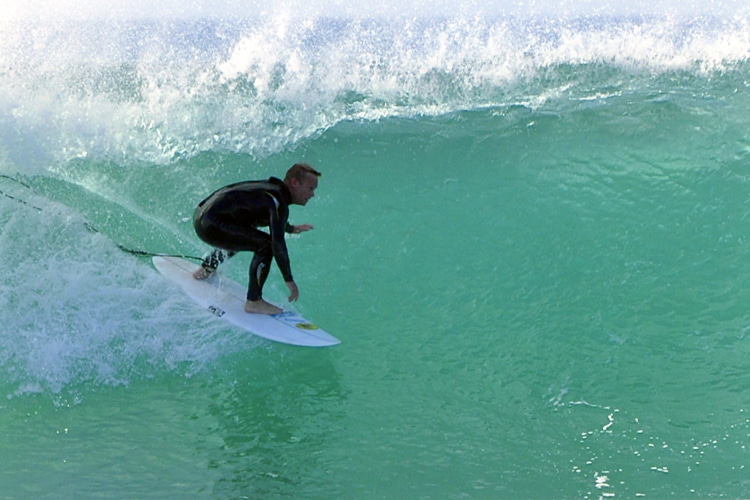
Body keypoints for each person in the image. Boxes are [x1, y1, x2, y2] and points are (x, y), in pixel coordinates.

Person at [192, 163, 320, 314]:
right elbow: (277, 242)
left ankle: (206, 269)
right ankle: (254, 301)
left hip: (202, 217)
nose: (312, 194)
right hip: (210, 225)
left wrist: (291, 228)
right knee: (265, 245)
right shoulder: (278, 202)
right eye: (310, 188)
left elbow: (272, 217)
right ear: (294, 183)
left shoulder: (273, 191)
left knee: (244, 234)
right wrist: (289, 279)